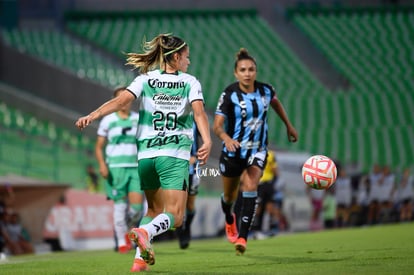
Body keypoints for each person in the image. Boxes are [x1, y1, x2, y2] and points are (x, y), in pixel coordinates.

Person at [75, 33, 212, 272]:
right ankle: (144, 231)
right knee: (176, 217)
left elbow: (119, 102)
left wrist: (92, 115)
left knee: (152, 210)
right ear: (177, 56)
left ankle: (139, 260)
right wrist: (208, 140)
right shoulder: (190, 82)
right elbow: (199, 114)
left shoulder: (146, 79)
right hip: (173, 154)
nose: (189, 62)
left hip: (146, 156)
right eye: (187, 57)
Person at [213, 48, 298, 255]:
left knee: (251, 186)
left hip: (257, 150)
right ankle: (229, 218)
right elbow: (217, 126)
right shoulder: (229, 93)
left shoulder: (266, 90)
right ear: (236, 73)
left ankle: (242, 237)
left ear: (256, 72)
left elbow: (276, 103)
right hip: (233, 151)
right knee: (229, 196)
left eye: (251, 69)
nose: (247, 73)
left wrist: (288, 125)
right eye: (243, 70)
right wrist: (226, 138)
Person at [95, 87, 145, 254]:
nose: (124, 102)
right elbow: (99, 147)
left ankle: (128, 228)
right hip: (115, 168)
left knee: (137, 209)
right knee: (120, 206)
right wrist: (102, 164)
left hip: (135, 168)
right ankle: (122, 241)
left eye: (127, 98)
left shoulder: (138, 119)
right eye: (120, 99)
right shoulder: (107, 120)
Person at [175, 123, 200, 249]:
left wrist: (196, 156)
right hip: (175, 167)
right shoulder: (171, 119)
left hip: (193, 167)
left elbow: (204, 140)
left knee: (190, 204)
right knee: (178, 204)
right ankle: (181, 234)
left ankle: (187, 227)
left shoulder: (195, 121)